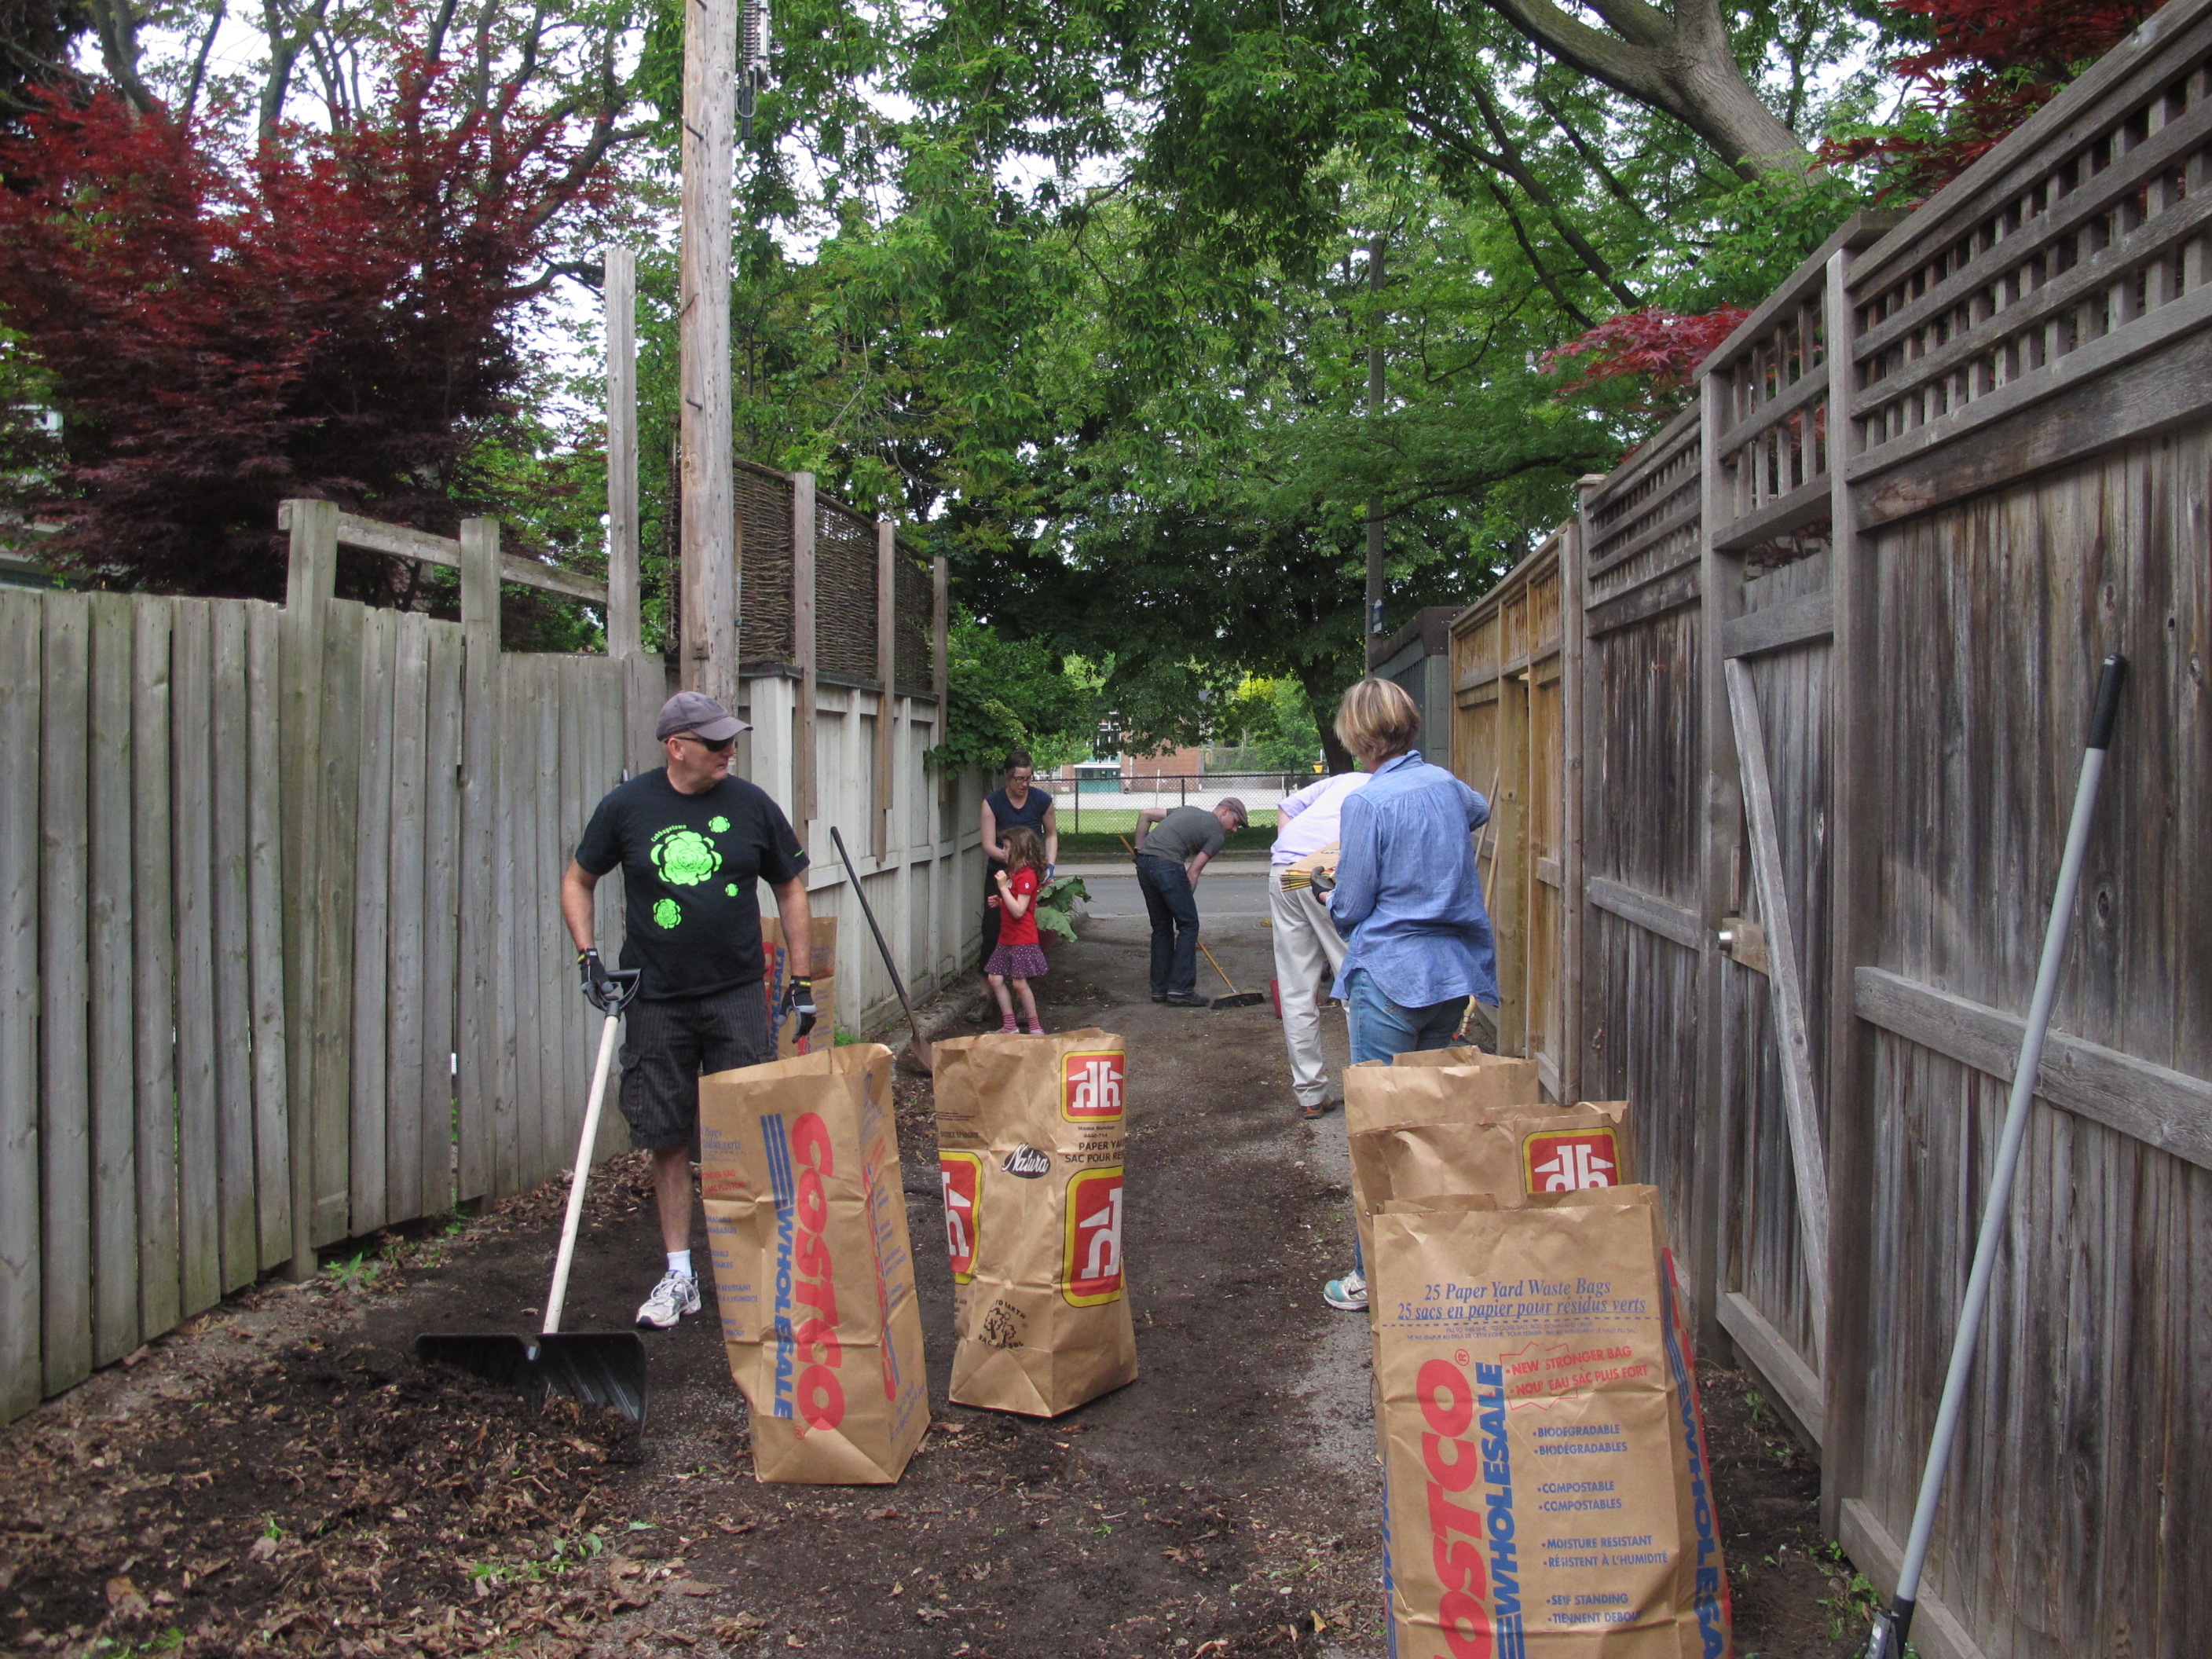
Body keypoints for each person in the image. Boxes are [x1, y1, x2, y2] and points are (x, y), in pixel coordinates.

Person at [562, 690, 816, 1331]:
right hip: (656, 998)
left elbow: (790, 888)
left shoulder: (752, 804)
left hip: (735, 993)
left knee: (749, 1130)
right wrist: (587, 957)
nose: (731, 750)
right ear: (677, 747)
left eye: (732, 740)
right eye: (717, 742)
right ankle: (680, 1275)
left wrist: (804, 979)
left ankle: (759, 1269)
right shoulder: (626, 807)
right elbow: (578, 880)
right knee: (667, 1136)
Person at [1312, 678, 1495, 1312]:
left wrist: (1326, 889)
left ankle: (1374, 1277)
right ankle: (1437, 1262)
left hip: (1391, 978)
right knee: (1435, 1124)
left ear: (1360, 736)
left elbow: (1353, 908)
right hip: (1452, 976)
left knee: (1381, 1132)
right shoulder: (1445, 786)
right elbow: (1480, 810)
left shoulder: (1368, 803)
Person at [1269, 766, 1373, 1119]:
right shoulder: (1393, 788)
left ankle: (1310, 1094)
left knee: (1296, 986)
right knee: (1356, 980)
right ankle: (1369, 1090)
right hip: (1328, 872)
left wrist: (1298, 857)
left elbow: (1286, 807)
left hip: (1284, 869)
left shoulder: (1341, 780)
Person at [1131, 797, 1249, 1005]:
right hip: (1167, 865)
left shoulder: (1186, 810)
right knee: (1188, 924)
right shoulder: (1216, 834)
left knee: (1161, 927)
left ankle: (1160, 990)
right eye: (1236, 822)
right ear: (1225, 812)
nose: (1235, 829)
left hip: (1145, 866)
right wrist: (1183, 903)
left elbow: (1145, 814)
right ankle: (1181, 990)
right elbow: (1193, 873)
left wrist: (1139, 851)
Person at [980, 751, 1059, 980]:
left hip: (1030, 877)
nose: (1025, 784)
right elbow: (988, 844)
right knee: (993, 930)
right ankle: (986, 993)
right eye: (1019, 779)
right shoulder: (992, 803)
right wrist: (1016, 861)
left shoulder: (1042, 801)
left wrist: (1049, 867)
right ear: (1007, 776)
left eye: (1028, 778)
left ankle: (1024, 992)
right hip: (1000, 874)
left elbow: (1051, 835)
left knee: (1026, 934)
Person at [985, 825, 1050, 1034]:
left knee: (1020, 984)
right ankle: (1010, 1026)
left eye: (1006, 847)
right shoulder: (1015, 872)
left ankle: (1035, 1028)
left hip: (1022, 937)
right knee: (995, 978)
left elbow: (1020, 911)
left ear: (1020, 850)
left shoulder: (1027, 876)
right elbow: (1014, 904)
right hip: (1008, 937)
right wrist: (1001, 901)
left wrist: (1003, 888)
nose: (1003, 851)